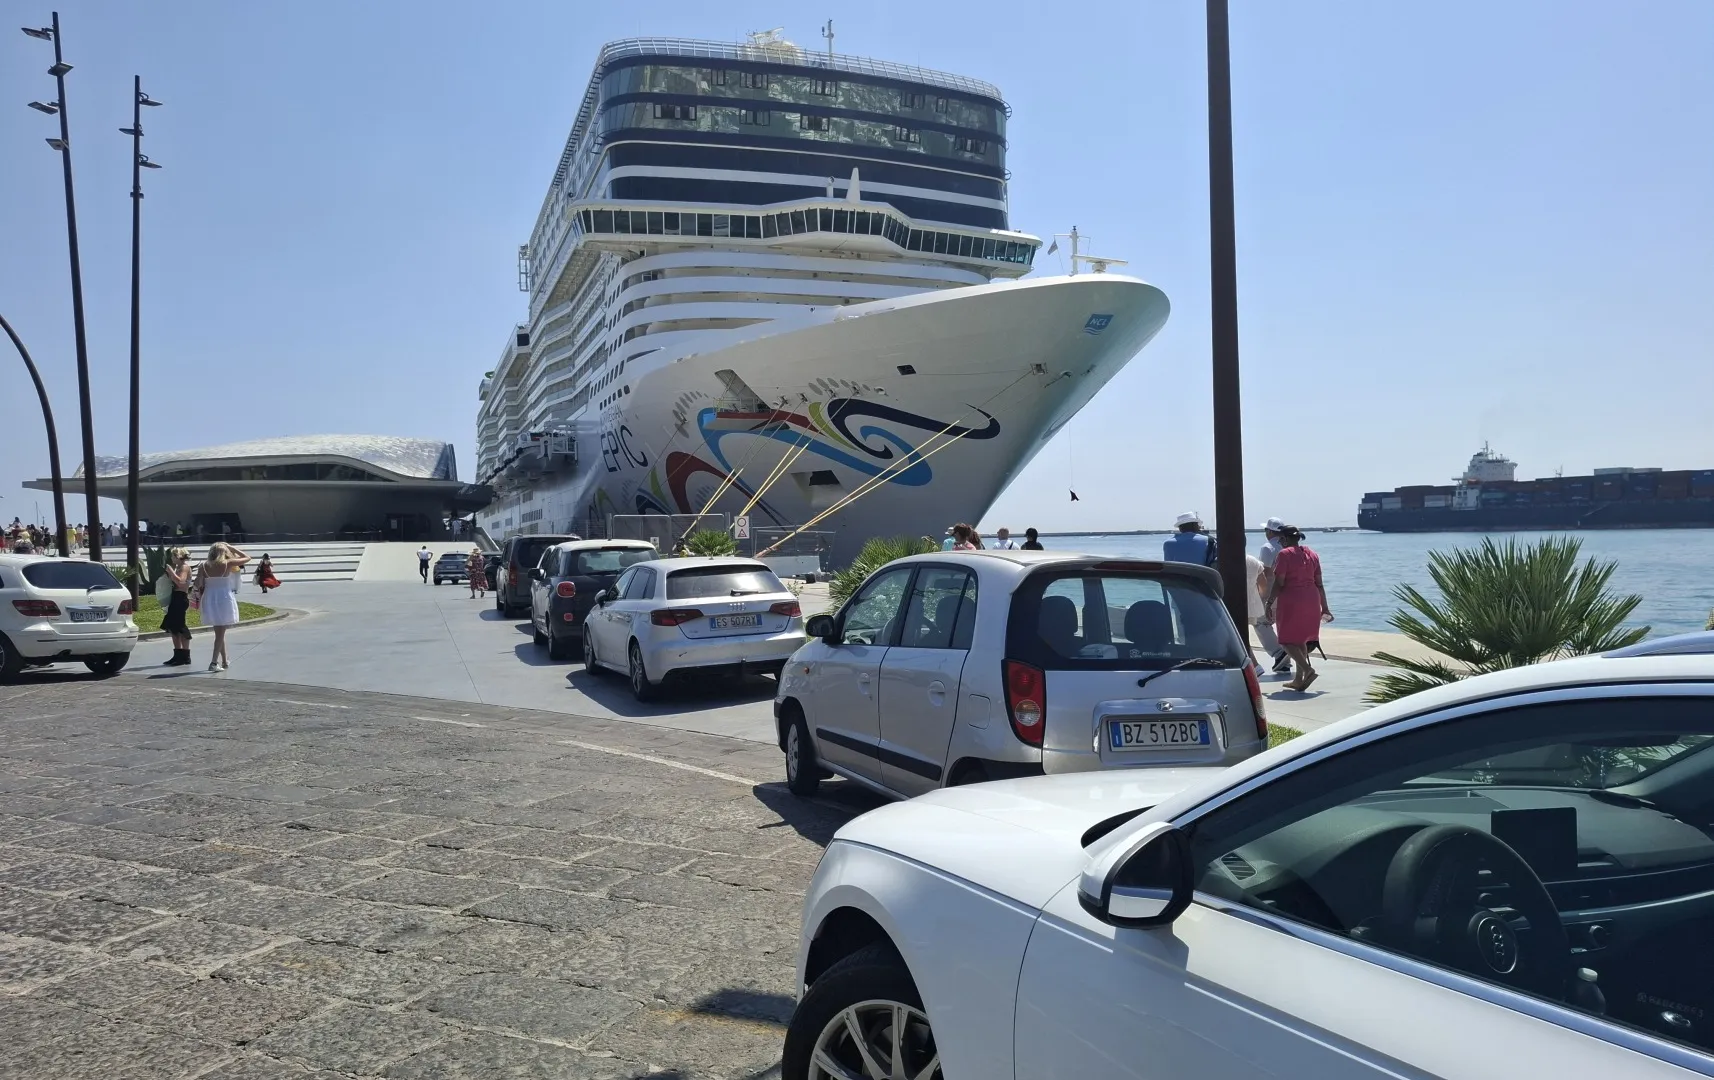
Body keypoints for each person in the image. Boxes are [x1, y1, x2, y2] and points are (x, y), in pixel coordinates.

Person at [1263, 526, 1333, 692]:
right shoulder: (1312, 554)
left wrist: (1269, 602)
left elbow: (1279, 582)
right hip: (1312, 599)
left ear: (1285, 539)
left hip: (1292, 599)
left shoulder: (1284, 554)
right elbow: (1319, 584)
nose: (1280, 542)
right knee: (1301, 640)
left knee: (1286, 640)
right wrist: (1325, 607)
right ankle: (1298, 679)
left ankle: (1308, 670)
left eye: (1281, 539)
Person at [195, 541, 252, 672]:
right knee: (220, 633)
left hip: (209, 597)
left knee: (219, 632)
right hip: (224, 598)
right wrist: (231, 547)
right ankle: (214, 662)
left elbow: (198, 584)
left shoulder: (203, 566)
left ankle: (225, 660)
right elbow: (247, 557)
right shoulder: (228, 563)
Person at [1255, 516, 1290, 675]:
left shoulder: (1267, 548)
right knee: (1282, 623)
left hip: (1270, 590)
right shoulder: (1287, 546)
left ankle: (1279, 653)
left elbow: (1266, 572)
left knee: (1260, 622)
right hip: (1287, 590)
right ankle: (1285, 661)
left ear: (1269, 531)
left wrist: (1259, 591)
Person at [160, 547, 195, 666]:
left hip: (180, 598)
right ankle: (178, 655)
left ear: (178, 557)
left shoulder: (184, 567)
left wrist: (171, 571)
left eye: (173, 556)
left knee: (180, 626)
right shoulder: (178, 567)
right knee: (173, 627)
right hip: (175, 597)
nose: (172, 558)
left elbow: (180, 582)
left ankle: (185, 656)